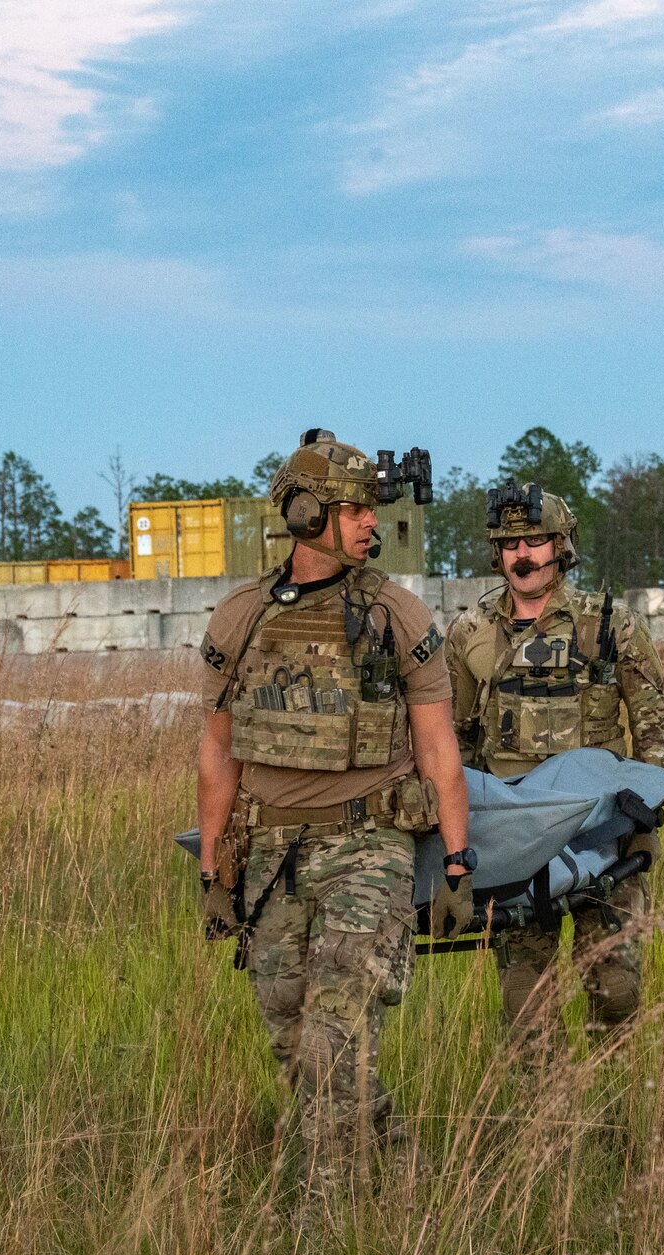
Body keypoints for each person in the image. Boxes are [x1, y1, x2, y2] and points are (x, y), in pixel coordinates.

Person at [195, 429, 473, 1195]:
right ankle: (399, 1166)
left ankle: (326, 1226)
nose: (369, 525)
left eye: (370, 512)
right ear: (307, 509)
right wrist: (216, 866)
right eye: (354, 510)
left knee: (335, 1041)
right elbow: (217, 753)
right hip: (272, 852)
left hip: (367, 846)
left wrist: (456, 864)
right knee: (292, 1034)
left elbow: (440, 750)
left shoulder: (399, 617)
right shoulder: (240, 618)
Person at [443, 482, 664, 1042]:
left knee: (615, 990)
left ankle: (615, 1110)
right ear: (496, 552)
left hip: (601, 832)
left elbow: (655, 727)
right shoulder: (469, 635)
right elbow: (454, 744)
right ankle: (545, 1122)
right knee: (527, 1009)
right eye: (510, 543)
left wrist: (647, 819)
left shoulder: (611, 627)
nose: (523, 554)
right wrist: (458, 845)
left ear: (561, 545)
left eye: (537, 540)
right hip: (515, 836)